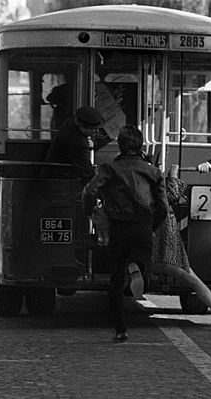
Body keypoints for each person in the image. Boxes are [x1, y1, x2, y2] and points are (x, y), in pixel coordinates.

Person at [82, 125, 169, 343]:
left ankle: (121, 329)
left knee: (115, 281)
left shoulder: (109, 169)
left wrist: (90, 212)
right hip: (143, 226)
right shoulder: (153, 172)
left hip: (118, 227)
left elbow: (89, 191)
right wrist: (152, 225)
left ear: (120, 145)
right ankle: (137, 267)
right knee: (143, 268)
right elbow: (163, 207)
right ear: (140, 145)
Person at [150, 165, 211, 331]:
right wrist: (172, 175)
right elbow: (173, 194)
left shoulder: (132, 190)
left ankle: (134, 273)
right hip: (168, 246)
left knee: (129, 264)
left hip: (144, 245)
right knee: (193, 280)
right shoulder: (160, 191)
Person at [45, 106, 104, 180]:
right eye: (93, 129)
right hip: (61, 179)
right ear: (83, 127)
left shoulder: (72, 122)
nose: (96, 132)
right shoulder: (79, 142)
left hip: (54, 172)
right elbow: (86, 171)